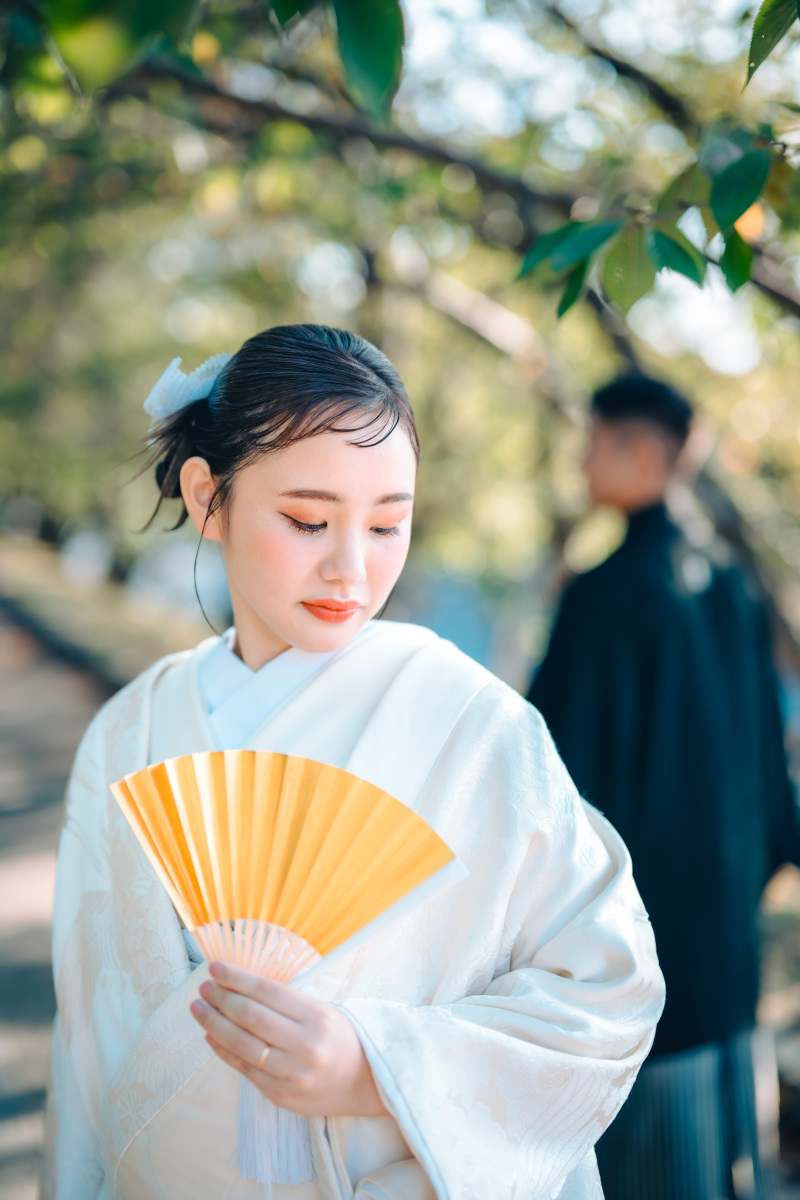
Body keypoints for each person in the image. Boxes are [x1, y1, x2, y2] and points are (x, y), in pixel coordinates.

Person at [42, 327, 664, 1200]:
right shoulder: (129, 733)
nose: (352, 566)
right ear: (206, 497)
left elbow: (609, 992)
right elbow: (83, 1047)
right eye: (307, 520)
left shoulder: (477, 728)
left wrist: (376, 1068)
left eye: (387, 524)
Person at [529, 374, 800, 1200]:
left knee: (646, 1169)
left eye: (593, 442)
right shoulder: (728, 582)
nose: (579, 465)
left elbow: (550, 780)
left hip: (635, 945)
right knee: (722, 1160)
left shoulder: (608, 594)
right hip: (725, 939)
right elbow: (770, 762)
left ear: (641, 452)